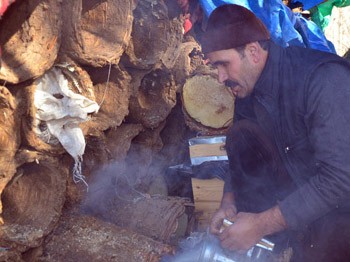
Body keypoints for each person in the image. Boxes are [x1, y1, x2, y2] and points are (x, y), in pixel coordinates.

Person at [200, 4, 350, 261]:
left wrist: (261, 224)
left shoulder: (322, 81)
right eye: (215, 67)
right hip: (302, 202)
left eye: (224, 65)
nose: (220, 77)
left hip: (342, 211)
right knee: (241, 135)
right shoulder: (247, 88)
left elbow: (340, 180)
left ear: (253, 52)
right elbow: (241, 160)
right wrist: (229, 202)